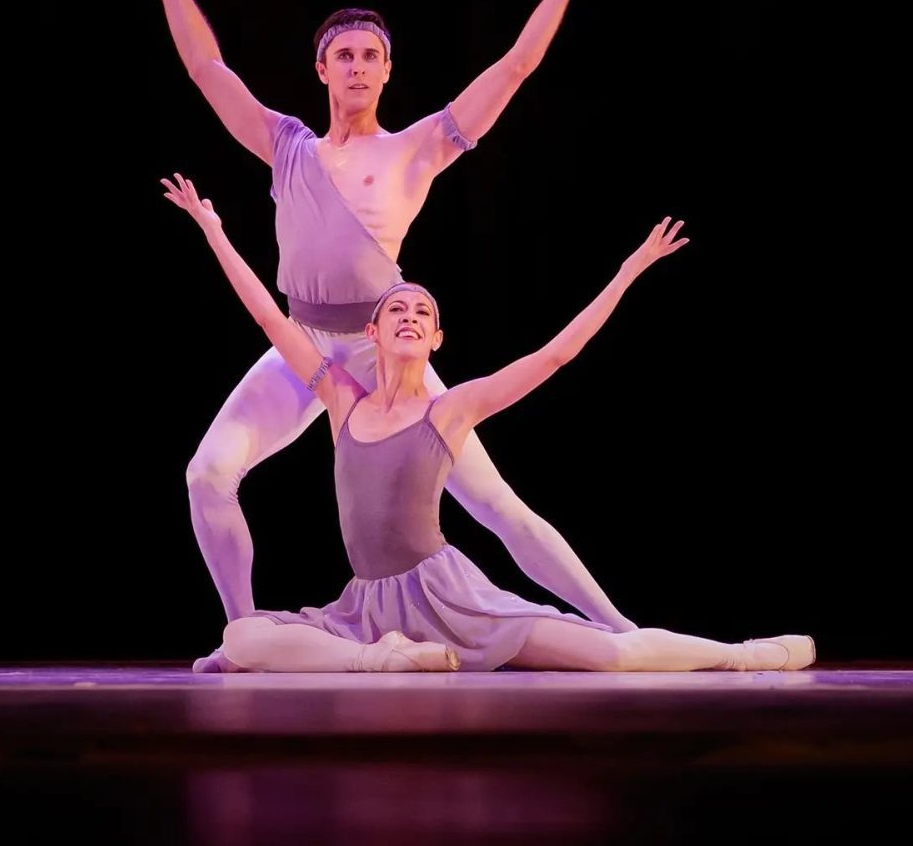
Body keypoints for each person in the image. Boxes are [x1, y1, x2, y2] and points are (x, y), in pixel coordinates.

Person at [142, 0, 644, 670]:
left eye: (371, 56)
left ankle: (620, 628)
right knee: (206, 474)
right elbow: (207, 67)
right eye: (344, 55)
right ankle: (242, 637)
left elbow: (513, 69)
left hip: (387, 360)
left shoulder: (414, 148)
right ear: (321, 69)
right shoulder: (288, 147)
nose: (358, 67)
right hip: (304, 351)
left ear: (386, 71)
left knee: (498, 507)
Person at [163, 173, 816, 674]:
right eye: (397, 310)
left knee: (609, 657)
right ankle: (384, 660)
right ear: (372, 331)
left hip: (455, 599)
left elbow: (555, 354)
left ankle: (746, 655)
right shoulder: (343, 402)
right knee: (242, 635)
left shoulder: (450, 409)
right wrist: (213, 230)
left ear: (438, 337)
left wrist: (628, 272)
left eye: (422, 311)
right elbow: (273, 321)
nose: (410, 316)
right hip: (367, 610)